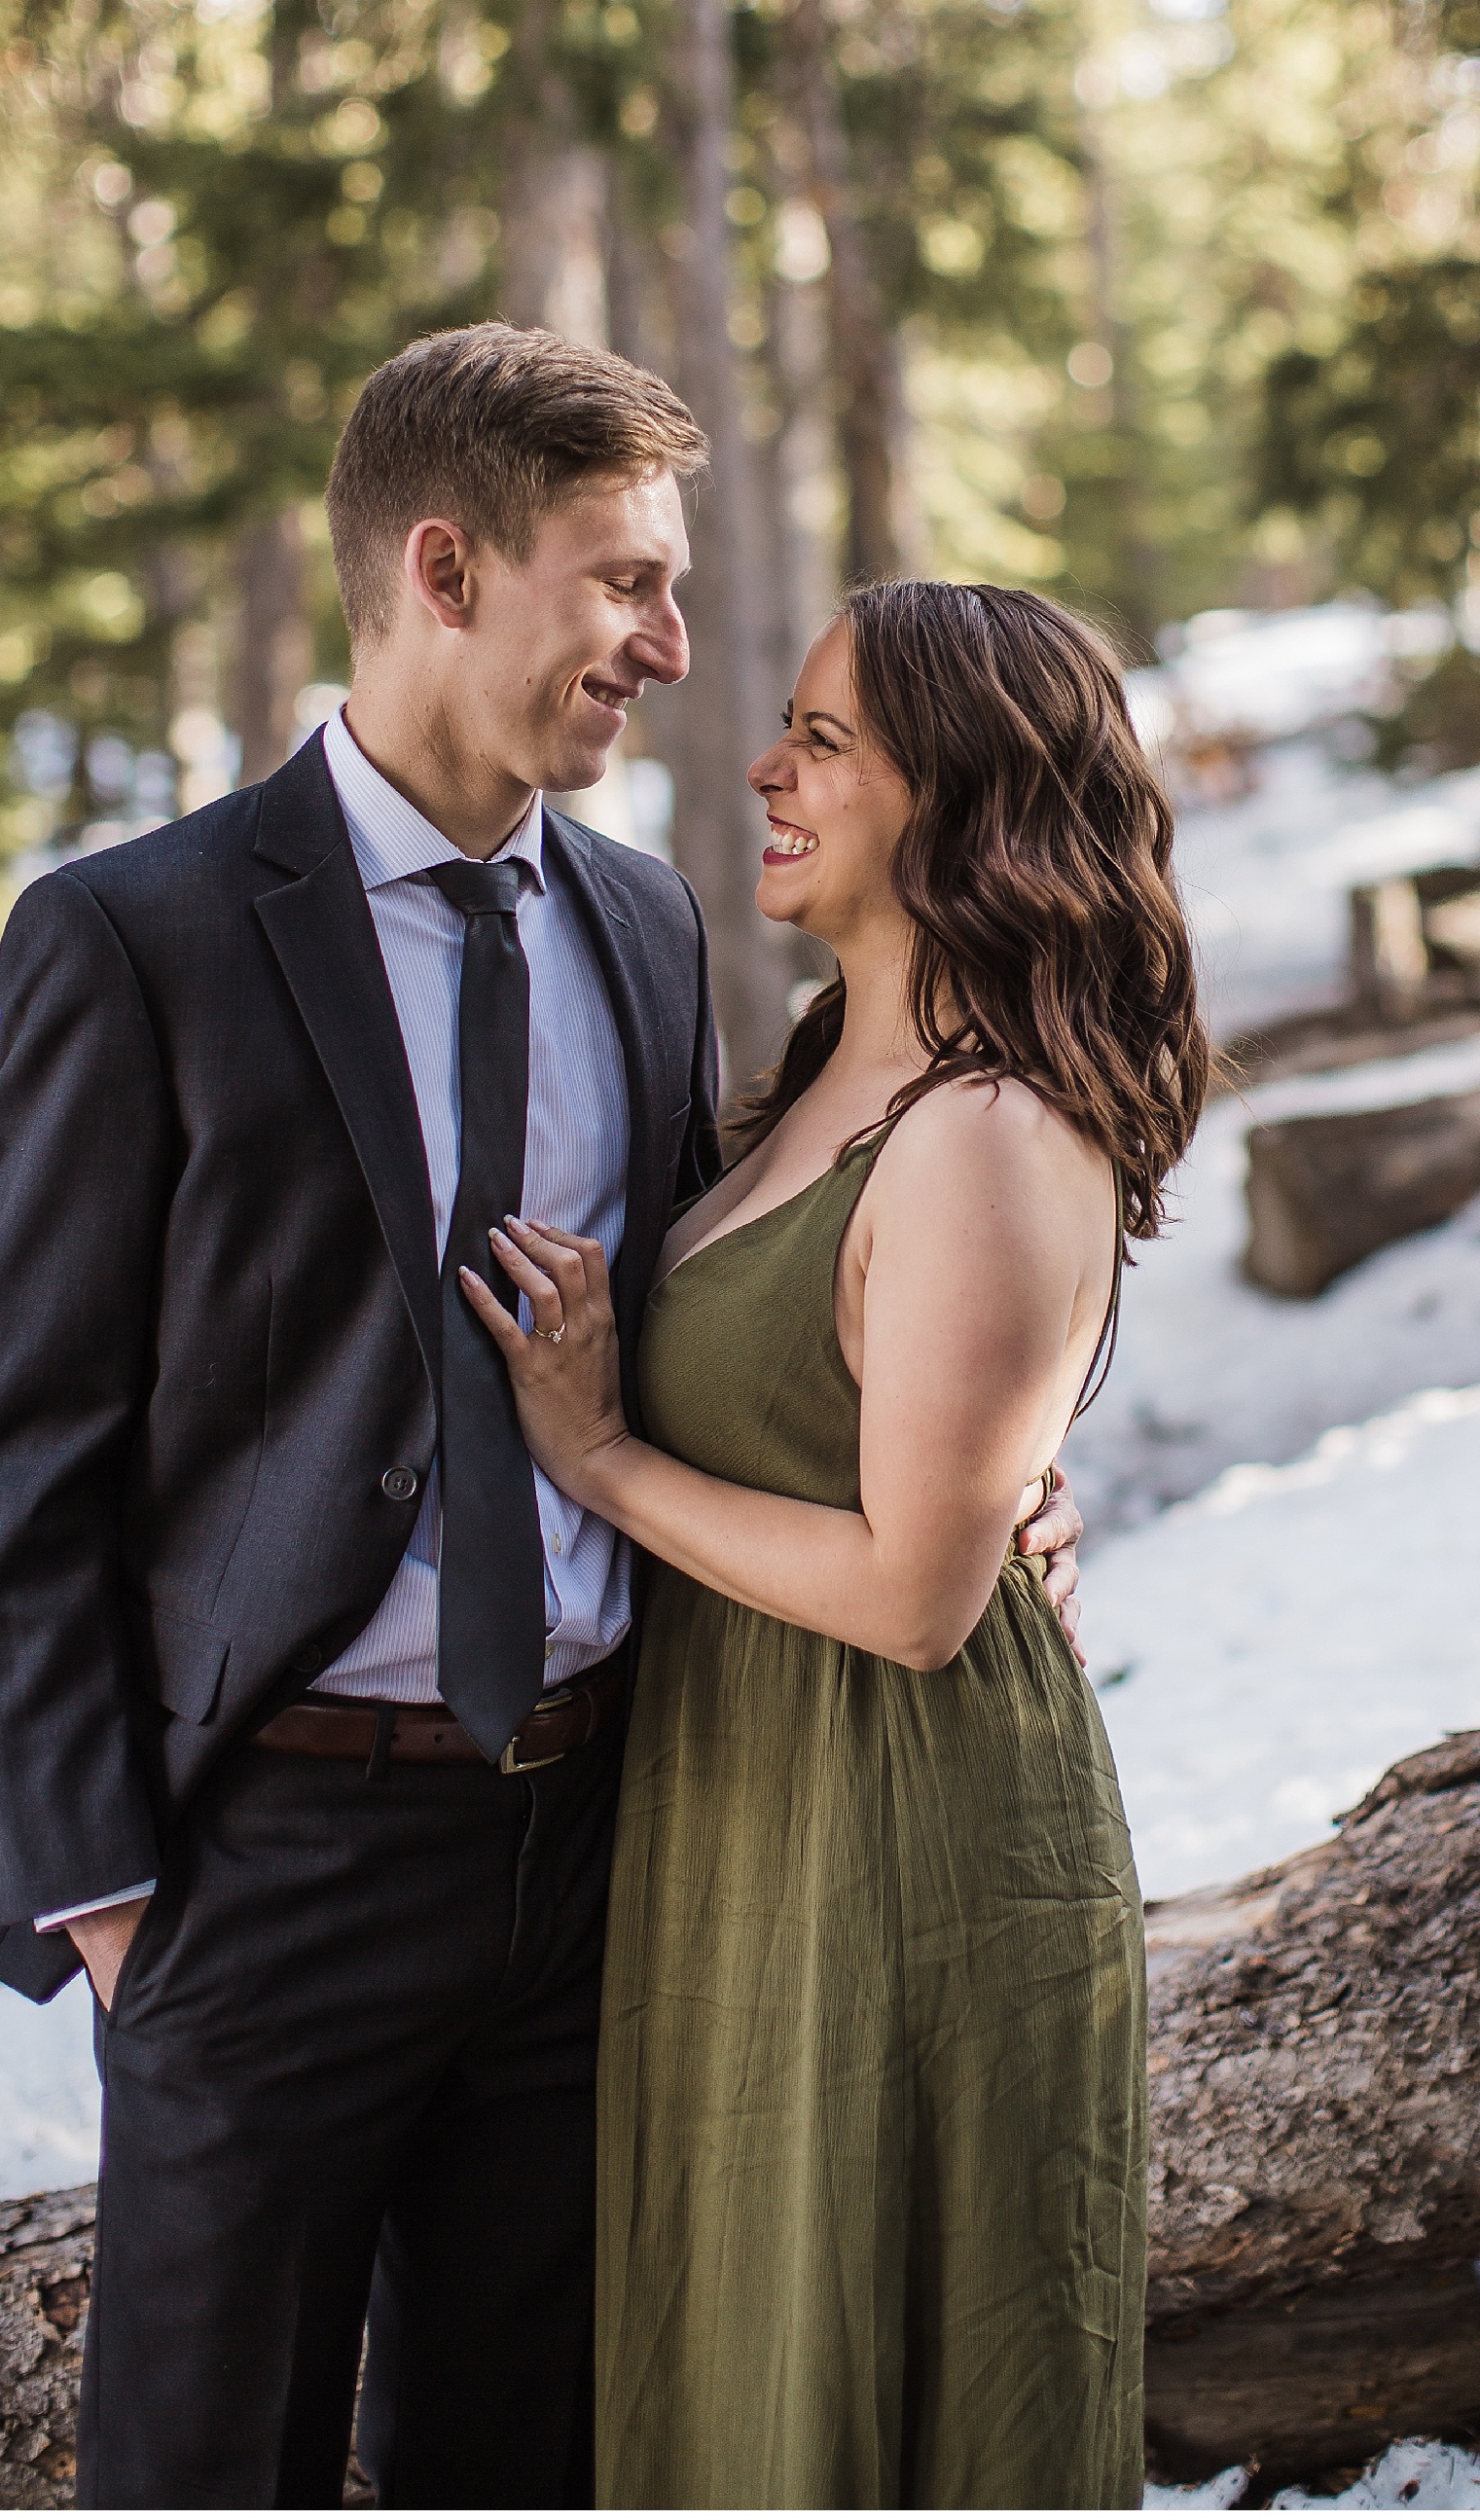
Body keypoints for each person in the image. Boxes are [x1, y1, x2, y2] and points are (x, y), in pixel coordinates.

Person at [0, 326, 1089, 2509]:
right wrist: (106, 1895)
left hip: (599, 1854)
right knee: (208, 2465)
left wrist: (989, 1467)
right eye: (627, 583)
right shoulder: (139, 934)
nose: (671, 647)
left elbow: (721, 1325)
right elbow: (27, 1455)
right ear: (448, 569)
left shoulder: (649, 928)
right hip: (261, 1862)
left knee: (528, 2454)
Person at [469, 578, 1208, 2511]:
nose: (765, 764)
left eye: (823, 739)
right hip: (751, 1811)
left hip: (903, 1842)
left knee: (872, 2394)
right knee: (737, 2381)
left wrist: (600, 1453)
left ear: (958, 798)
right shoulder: (820, 1073)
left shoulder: (981, 1126)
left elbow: (908, 1593)